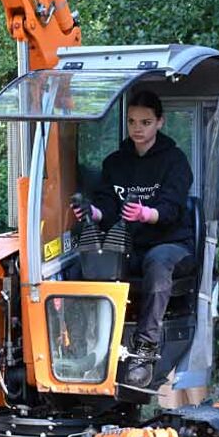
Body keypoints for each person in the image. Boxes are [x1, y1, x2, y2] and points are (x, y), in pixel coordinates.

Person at [75, 90, 195, 388]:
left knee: (157, 261)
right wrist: (93, 212)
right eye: (131, 122)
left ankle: (145, 349)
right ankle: (85, 347)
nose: (137, 128)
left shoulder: (175, 161)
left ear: (160, 122)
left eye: (145, 122)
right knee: (87, 264)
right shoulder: (116, 162)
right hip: (127, 244)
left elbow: (172, 208)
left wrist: (147, 213)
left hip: (173, 244)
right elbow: (106, 205)